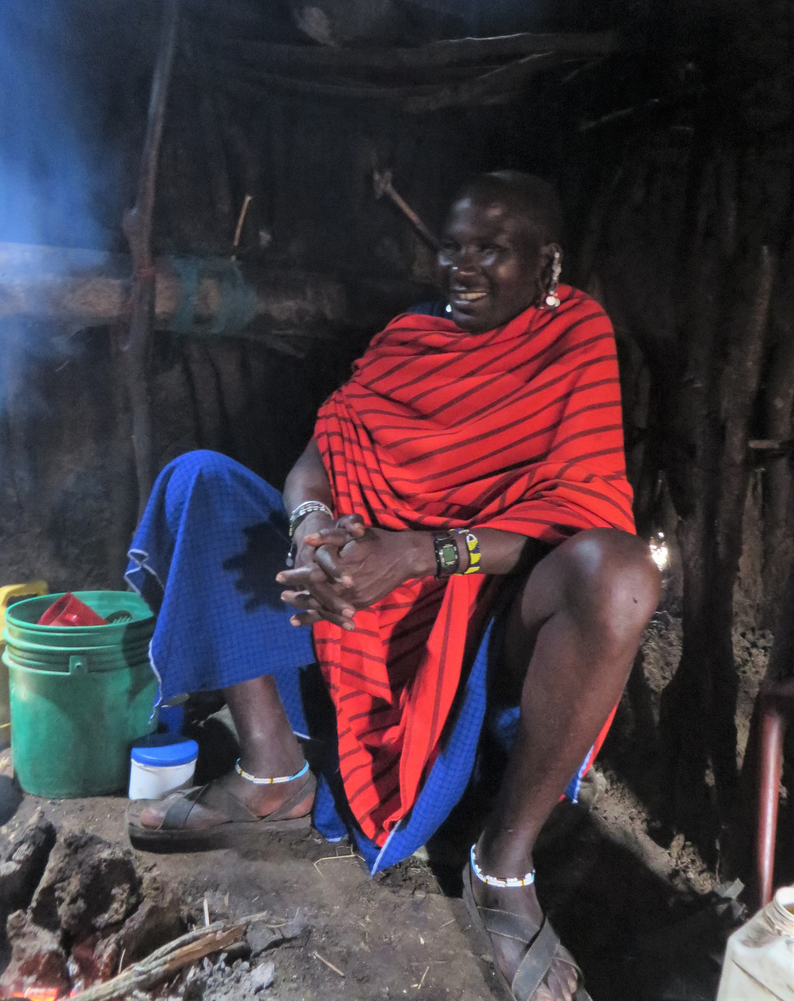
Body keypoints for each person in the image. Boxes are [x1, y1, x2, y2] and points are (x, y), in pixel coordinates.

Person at [126, 172, 661, 1001]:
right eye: (452, 249)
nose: (464, 268)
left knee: (622, 574)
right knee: (200, 481)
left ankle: (502, 866)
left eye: (492, 250)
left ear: (545, 264)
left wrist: (421, 555)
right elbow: (319, 459)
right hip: (366, 576)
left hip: (483, 604)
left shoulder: (574, 338)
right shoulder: (411, 337)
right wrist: (315, 534)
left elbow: (574, 514)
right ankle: (273, 776)